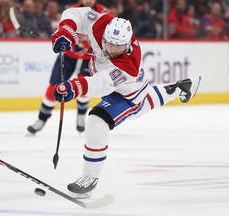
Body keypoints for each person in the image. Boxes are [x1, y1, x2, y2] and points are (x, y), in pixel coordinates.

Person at [51, 7, 202, 198]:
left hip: (126, 96)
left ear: (128, 44)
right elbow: (77, 13)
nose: (112, 49)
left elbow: (102, 84)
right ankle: (179, 88)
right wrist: (66, 29)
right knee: (142, 105)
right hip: (130, 88)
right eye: (109, 44)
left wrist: (74, 87)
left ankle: (89, 178)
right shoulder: (102, 23)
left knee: (98, 122)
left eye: (118, 47)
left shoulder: (127, 65)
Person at [27, 0, 111, 135]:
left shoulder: (104, 13)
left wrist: (90, 46)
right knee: (51, 89)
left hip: (88, 58)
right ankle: (41, 119)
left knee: (84, 88)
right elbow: (64, 28)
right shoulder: (72, 11)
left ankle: (81, 116)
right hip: (68, 56)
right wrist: (66, 39)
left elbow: (107, 38)